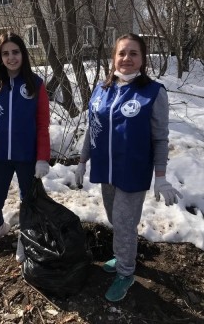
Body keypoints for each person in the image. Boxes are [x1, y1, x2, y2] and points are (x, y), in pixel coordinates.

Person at [75, 33, 182, 302]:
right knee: (114, 218)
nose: (127, 58)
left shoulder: (153, 92)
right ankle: (124, 254)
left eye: (134, 53)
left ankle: (126, 272)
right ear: (114, 57)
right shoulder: (102, 89)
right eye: (122, 53)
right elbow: (92, 128)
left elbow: (160, 137)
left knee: (124, 223)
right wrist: (81, 161)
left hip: (133, 172)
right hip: (105, 170)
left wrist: (161, 177)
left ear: (143, 59)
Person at [0, 32, 50, 254]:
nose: (11, 57)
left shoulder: (35, 84)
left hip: (27, 157)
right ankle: (0, 227)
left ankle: (26, 238)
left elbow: (43, 123)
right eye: (5, 53)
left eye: (15, 52)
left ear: (23, 53)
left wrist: (43, 158)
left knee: (30, 202)